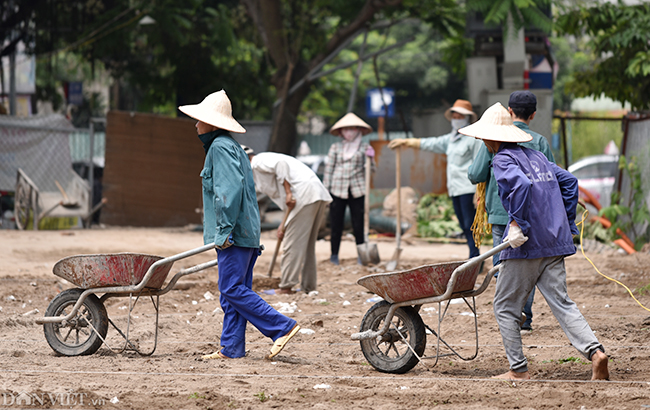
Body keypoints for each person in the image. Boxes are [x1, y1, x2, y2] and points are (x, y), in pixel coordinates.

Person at [459, 102, 609, 381]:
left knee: (504, 305)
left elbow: (521, 186)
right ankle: (596, 352)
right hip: (553, 241)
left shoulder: (502, 160)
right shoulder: (537, 157)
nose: (481, 140)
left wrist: (517, 223)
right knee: (562, 303)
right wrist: (564, 220)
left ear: (492, 137)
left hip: (527, 245)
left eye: (483, 136)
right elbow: (570, 183)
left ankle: (518, 370)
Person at [179, 90, 300, 360]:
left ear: (212, 123)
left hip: (233, 233)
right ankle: (231, 348)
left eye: (200, 119)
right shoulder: (229, 147)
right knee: (234, 292)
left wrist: (223, 231)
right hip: (244, 231)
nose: (195, 124)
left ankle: (282, 326)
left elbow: (228, 193)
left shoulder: (219, 148)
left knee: (231, 289)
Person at [467, 90, 555, 331]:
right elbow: (550, 179)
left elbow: (475, 175)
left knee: (503, 266)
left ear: (509, 111)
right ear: (534, 115)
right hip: (530, 216)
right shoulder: (539, 142)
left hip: (500, 213)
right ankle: (522, 315)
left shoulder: (492, 136)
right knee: (527, 263)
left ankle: (509, 313)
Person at [389, 99, 482, 258]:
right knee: (462, 224)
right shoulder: (451, 139)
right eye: (455, 116)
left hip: (468, 188)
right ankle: (473, 255)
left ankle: (475, 256)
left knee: (470, 224)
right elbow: (433, 143)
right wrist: (409, 142)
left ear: (468, 118)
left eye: (460, 116)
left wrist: (479, 190)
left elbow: (478, 164)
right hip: (454, 188)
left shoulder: (474, 139)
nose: (457, 119)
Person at [246, 147, 332, 294]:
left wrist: (288, 193)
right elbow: (286, 202)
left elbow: (281, 165)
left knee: (292, 244)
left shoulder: (257, 161)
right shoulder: (255, 172)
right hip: (312, 193)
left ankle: (286, 286)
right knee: (306, 245)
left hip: (303, 194)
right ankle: (308, 287)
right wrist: (282, 225)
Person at [323, 112, 374, 265]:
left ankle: (361, 255)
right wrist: (326, 192)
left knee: (359, 224)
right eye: (346, 129)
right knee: (336, 224)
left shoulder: (365, 148)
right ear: (341, 132)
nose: (349, 132)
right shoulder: (335, 148)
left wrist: (370, 159)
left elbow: (372, 170)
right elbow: (329, 170)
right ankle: (334, 255)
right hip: (337, 189)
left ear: (359, 130)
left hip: (358, 190)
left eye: (352, 129)